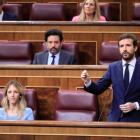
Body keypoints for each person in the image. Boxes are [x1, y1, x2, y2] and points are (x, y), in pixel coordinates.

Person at [81, 33, 140, 122]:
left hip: (136, 117)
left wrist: (136, 105)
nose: (124, 49)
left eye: (128, 45)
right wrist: (88, 82)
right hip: (115, 118)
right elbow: (99, 88)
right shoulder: (113, 67)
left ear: (135, 48)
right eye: (121, 46)